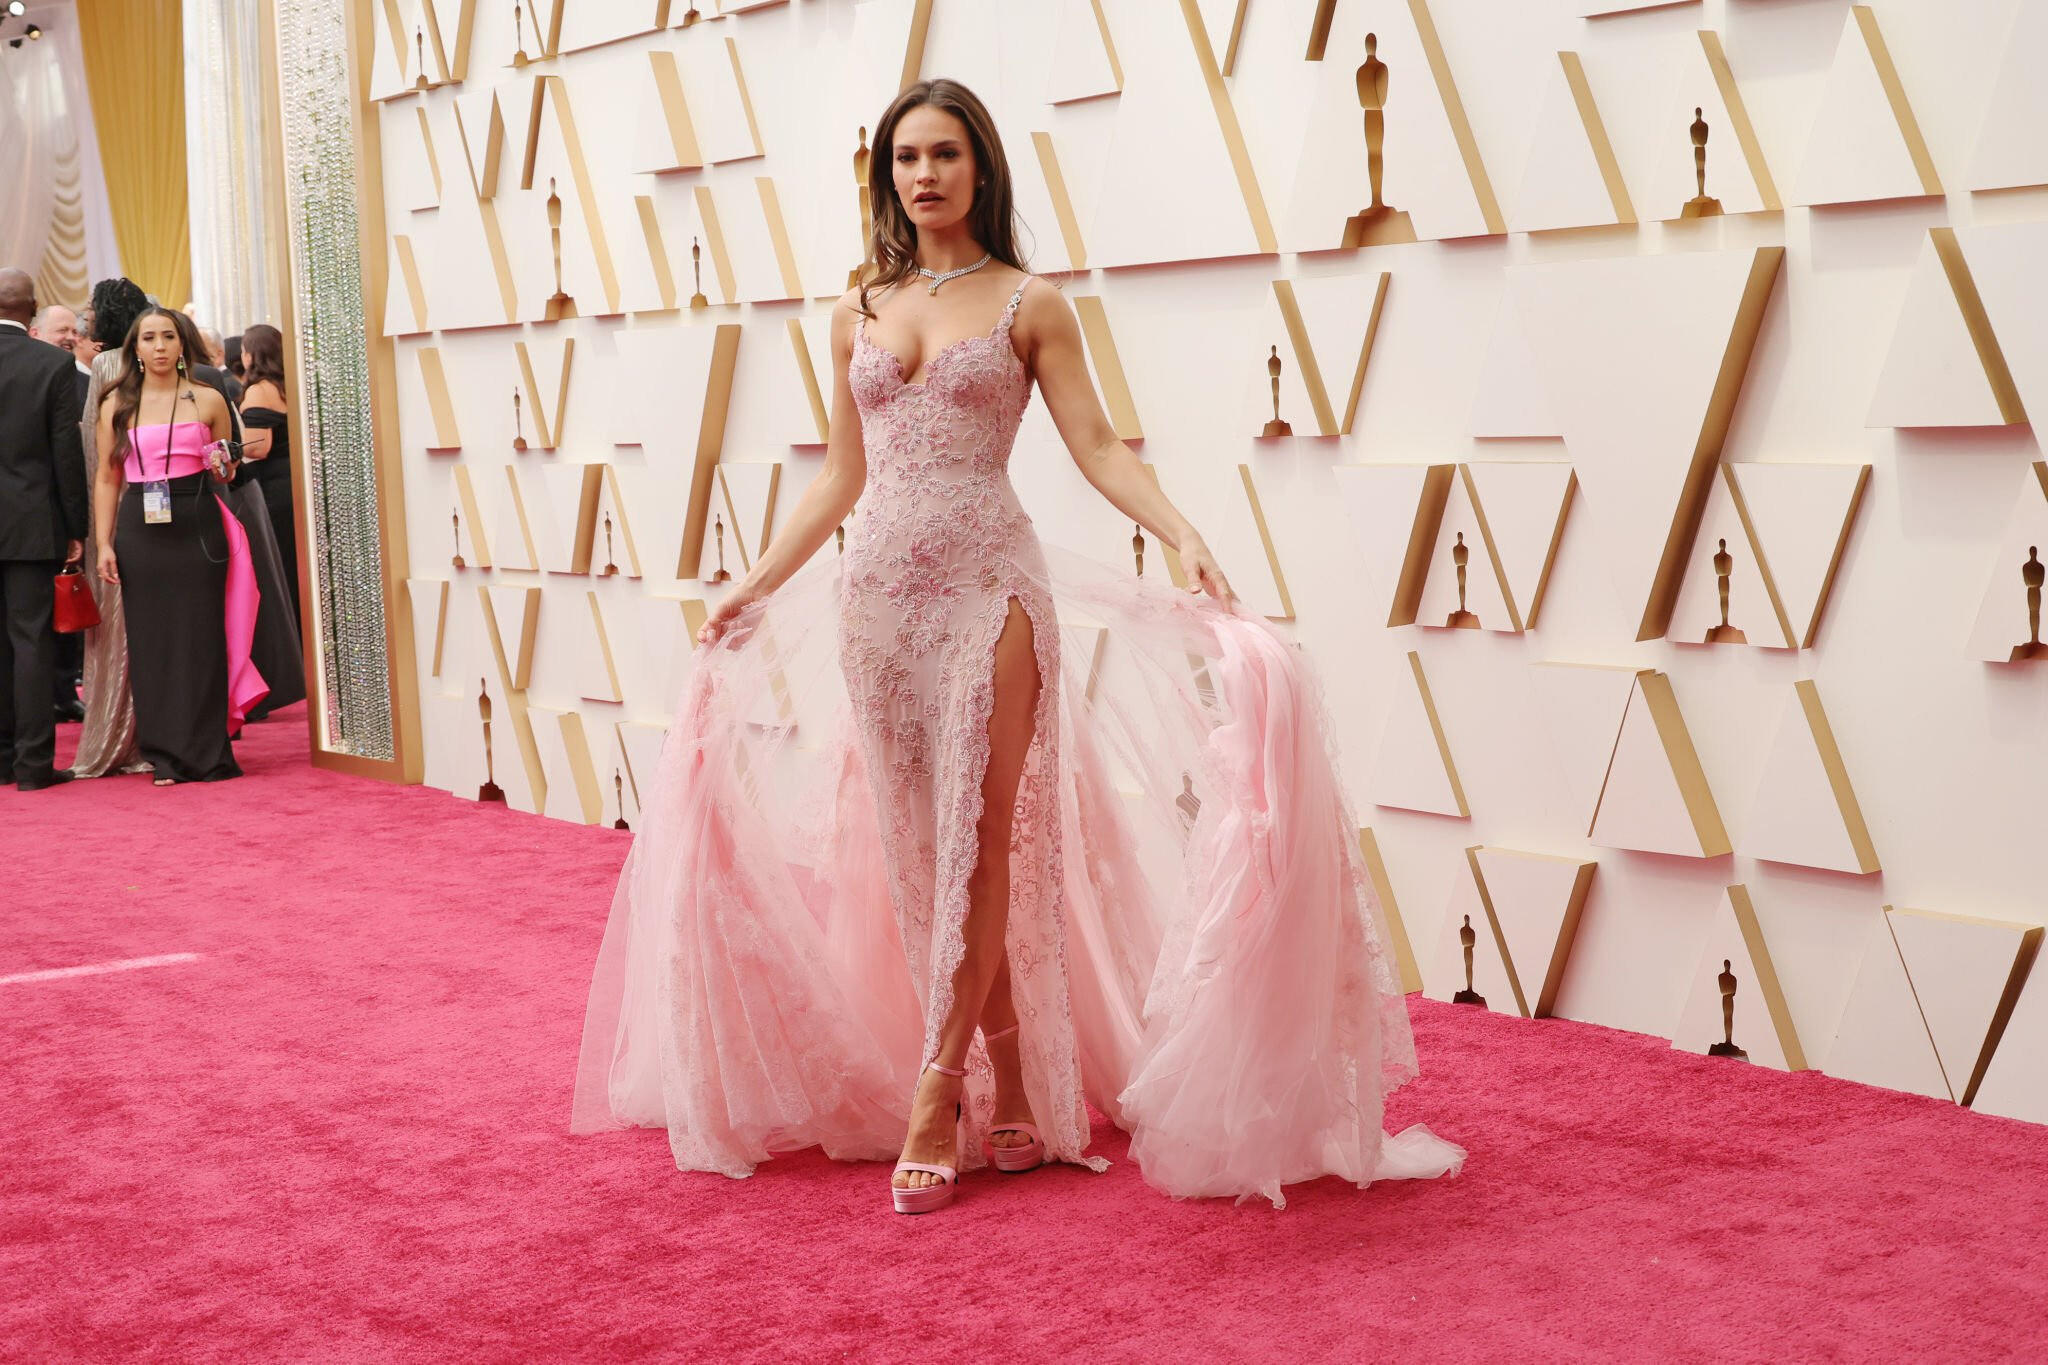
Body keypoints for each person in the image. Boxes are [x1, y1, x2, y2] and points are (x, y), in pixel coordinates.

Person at [572, 80, 1463, 1214]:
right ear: (886, 175)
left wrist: (1181, 533)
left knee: (982, 838)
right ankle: (1017, 1075)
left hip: (991, 591)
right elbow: (840, 476)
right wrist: (752, 582)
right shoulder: (853, 310)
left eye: (944, 154)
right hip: (875, 602)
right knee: (917, 846)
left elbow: (1098, 445)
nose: (923, 175)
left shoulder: (1031, 304)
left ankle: (937, 1089)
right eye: (905, 158)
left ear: (981, 167)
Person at [92, 306, 267, 784]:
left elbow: (227, 472)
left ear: (181, 343)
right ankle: (165, 755)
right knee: (151, 642)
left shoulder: (208, 399)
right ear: (135, 348)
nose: (160, 346)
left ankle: (209, 752)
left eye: (168, 336)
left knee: (203, 638)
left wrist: (223, 464)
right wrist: (104, 543)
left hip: (198, 522)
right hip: (140, 528)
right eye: (149, 337)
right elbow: (106, 478)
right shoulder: (116, 404)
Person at [0, 268, 88, 790]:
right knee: (31, 639)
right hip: (32, 522)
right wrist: (76, 526)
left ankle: (1, 759)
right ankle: (33, 766)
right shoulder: (52, 364)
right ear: (32, 310)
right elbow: (66, 454)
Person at [27, 302, 89, 721]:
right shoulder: (43, 373)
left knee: (65, 608)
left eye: (74, 330)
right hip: (42, 513)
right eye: (61, 330)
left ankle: (63, 692)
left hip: (56, 512)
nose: (70, 336)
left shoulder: (84, 379)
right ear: (35, 333)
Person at [235, 324, 298, 629]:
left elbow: (258, 447)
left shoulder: (260, 390)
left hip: (272, 489)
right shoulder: (290, 385)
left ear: (251, 355)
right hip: (293, 482)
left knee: (278, 565)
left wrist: (230, 445)